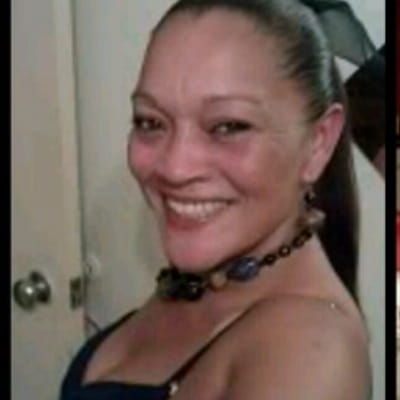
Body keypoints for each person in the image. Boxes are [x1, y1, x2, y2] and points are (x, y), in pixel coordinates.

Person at [60, 0, 371, 399]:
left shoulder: (311, 355)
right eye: (150, 121)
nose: (175, 168)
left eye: (228, 126)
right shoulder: (209, 278)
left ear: (318, 142)